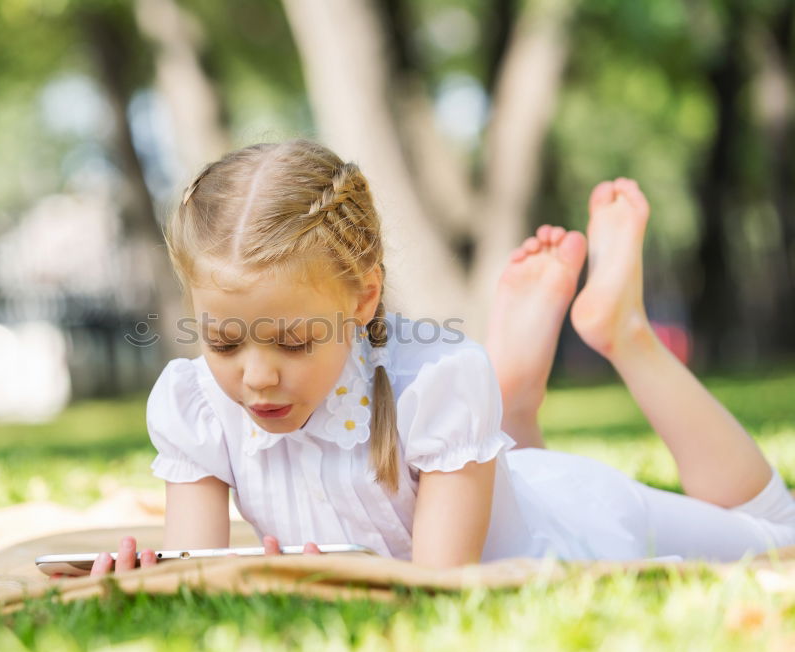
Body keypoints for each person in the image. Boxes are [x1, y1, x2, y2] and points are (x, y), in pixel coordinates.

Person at [84, 140, 795, 576]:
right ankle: (510, 407)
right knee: (496, 443)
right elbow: (200, 577)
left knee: (780, 537)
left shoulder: (433, 389)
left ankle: (624, 333)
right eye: (223, 340)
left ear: (364, 300)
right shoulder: (196, 406)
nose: (256, 375)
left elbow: (438, 587)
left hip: (566, 522)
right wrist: (147, 578)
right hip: (492, 479)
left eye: (294, 341)